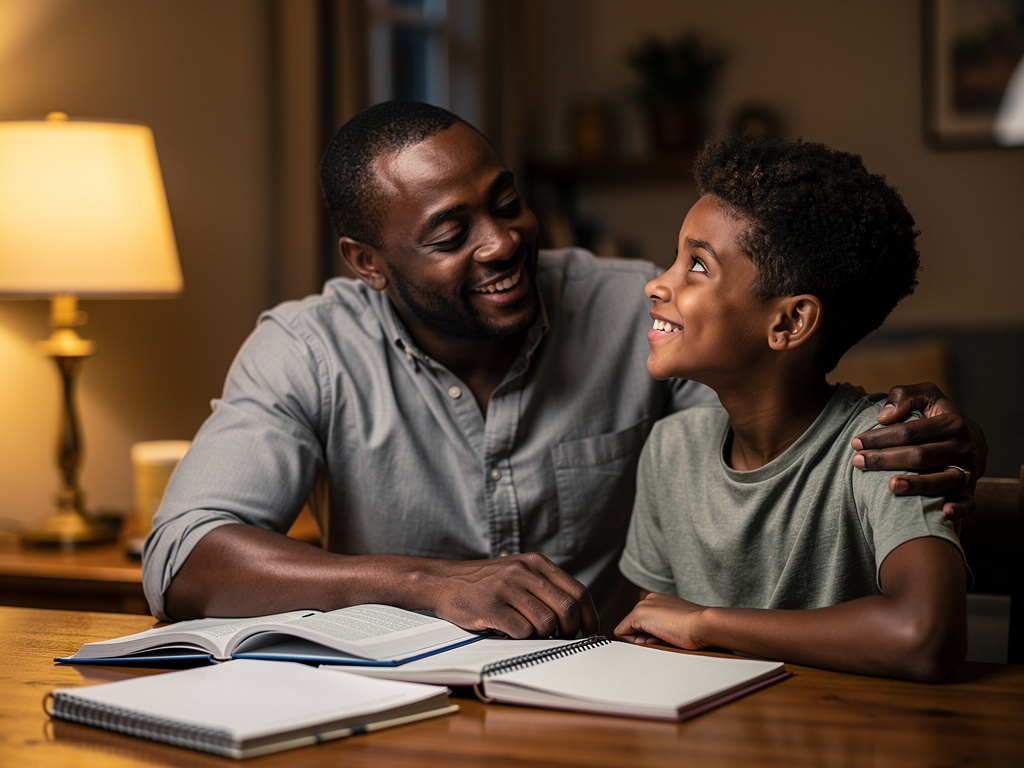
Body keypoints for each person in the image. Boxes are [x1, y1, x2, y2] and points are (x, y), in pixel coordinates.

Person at [142, 101, 984, 638]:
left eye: (505, 203)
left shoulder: (631, 316)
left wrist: (935, 437)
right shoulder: (307, 351)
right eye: (449, 234)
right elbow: (183, 557)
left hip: (621, 705)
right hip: (404, 719)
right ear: (367, 261)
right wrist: (425, 583)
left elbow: (782, 425)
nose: (501, 242)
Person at [616, 136, 969, 681]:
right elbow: (659, 637)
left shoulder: (887, 445)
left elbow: (924, 634)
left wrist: (709, 622)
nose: (656, 284)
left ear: (789, 323)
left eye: (698, 267)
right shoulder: (671, 449)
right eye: (675, 258)